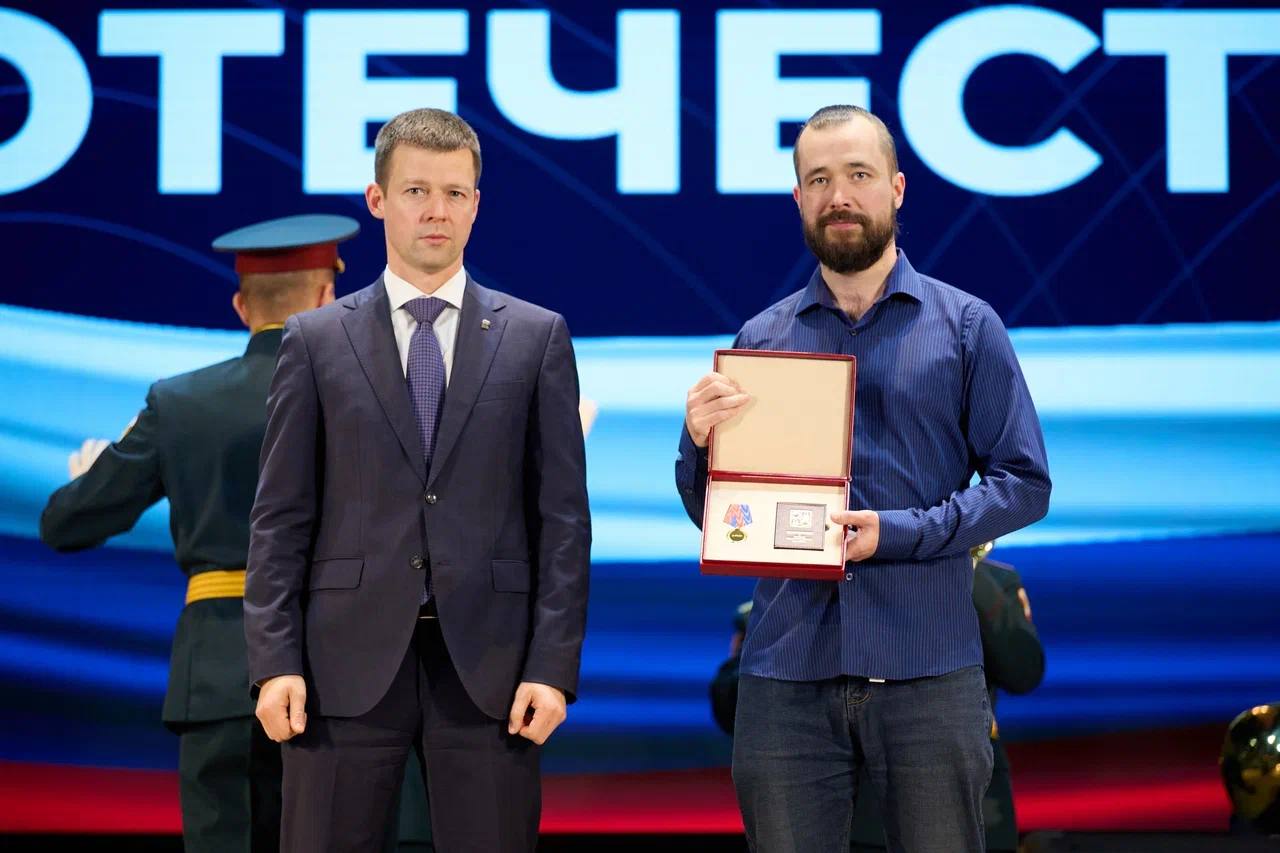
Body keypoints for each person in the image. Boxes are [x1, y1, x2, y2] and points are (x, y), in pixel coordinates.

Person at [675, 104, 1051, 852]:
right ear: (798, 199)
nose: (839, 196)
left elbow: (1023, 482)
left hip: (927, 670)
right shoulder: (762, 340)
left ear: (897, 188)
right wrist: (697, 443)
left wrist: (898, 533)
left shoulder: (967, 327)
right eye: (819, 180)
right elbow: (720, 514)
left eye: (858, 175)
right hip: (786, 677)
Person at [244, 107, 591, 853]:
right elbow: (280, 517)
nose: (437, 210)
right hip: (338, 666)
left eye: (454, 193)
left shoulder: (537, 338)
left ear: (476, 203)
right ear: (377, 199)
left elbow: (563, 522)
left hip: (492, 671)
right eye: (416, 191)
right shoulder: (315, 339)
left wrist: (552, 668)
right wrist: (273, 662)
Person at [39, 214, 356, 852]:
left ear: (241, 307)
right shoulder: (372, 398)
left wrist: (92, 478)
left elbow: (67, 524)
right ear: (328, 300)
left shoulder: (179, 404)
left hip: (218, 673)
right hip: (342, 668)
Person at [709, 546, 1046, 852]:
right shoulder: (790, 591)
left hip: (968, 808)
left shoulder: (995, 583)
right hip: (852, 813)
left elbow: (1024, 672)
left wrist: (964, 566)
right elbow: (731, 705)